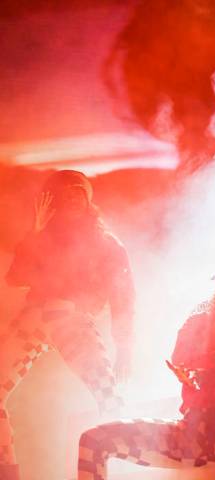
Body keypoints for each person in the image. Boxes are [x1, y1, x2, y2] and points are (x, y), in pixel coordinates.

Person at [77, 260, 215, 480]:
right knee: (93, 441)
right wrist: (195, 371)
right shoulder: (200, 324)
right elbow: (183, 362)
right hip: (190, 436)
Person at [0, 170, 134, 480]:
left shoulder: (105, 243)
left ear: (88, 202)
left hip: (72, 319)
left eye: (78, 194)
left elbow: (123, 294)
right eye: (66, 196)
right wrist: (33, 236)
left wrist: (124, 344)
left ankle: (114, 471)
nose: (73, 201)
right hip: (35, 317)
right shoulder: (45, 237)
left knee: (108, 397)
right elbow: (15, 278)